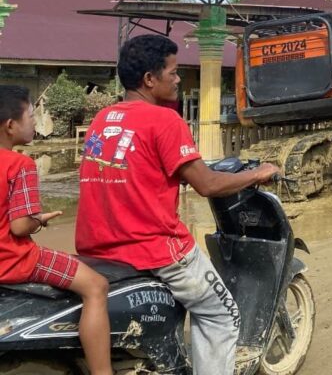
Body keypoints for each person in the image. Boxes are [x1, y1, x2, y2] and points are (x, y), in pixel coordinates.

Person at [76, 35, 279, 375]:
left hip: (97, 248)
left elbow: (135, 169)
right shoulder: (166, 121)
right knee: (221, 314)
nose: (178, 78)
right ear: (149, 79)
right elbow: (208, 184)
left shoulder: (103, 119)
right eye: (172, 71)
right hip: (155, 250)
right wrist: (259, 173)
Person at [0, 85, 113, 375]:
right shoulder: (20, 164)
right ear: (11, 126)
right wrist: (40, 219)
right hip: (13, 259)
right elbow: (19, 226)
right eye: (30, 116)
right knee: (96, 286)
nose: (36, 123)